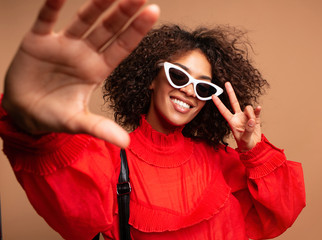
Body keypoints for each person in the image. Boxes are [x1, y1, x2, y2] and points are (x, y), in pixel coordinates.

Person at [0, 0, 306, 239]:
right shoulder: (111, 158)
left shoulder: (224, 161)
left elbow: (282, 213)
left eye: (202, 86)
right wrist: (33, 122)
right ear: (151, 79)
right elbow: (75, 217)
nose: (188, 90)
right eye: (178, 75)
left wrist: (254, 150)